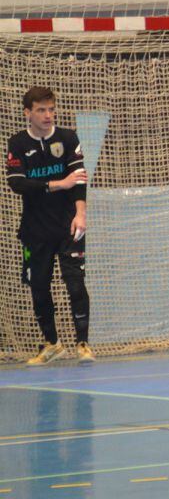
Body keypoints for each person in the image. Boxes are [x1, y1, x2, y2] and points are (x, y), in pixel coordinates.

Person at [6, 86, 93, 365]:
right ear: (28, 113)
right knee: (39, 286)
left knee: (75, 284)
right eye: (41, 110)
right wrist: (58, 184)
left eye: (51, 109)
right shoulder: (18, 143)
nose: (48, 115)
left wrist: (80, 214)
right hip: (35, 229)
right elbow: (17, 183)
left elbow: (78, 180)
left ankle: (83, 344)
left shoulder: (68, 138)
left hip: (69, 225)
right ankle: (52, 343)